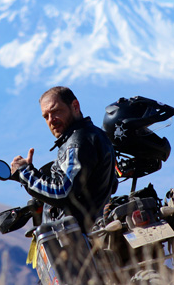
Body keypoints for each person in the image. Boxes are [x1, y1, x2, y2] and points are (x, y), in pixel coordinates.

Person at [10, 86, 118, 231]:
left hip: (78, 239)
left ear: (75, 106)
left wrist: (25, 173)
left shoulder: (78, 142)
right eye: (45, 116)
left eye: (55, 111)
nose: (51, 120)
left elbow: (64, 192)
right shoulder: (93, 134)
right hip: (90, 234)